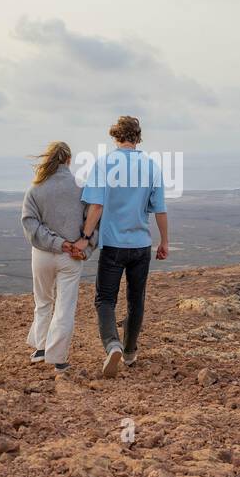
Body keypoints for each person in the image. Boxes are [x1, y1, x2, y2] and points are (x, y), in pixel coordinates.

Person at [74, 115, 168, 378]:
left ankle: (112, 345)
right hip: (141, 246)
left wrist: (85, 236)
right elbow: (160, 209)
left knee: (105, 299)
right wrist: (165, 242)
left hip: (113, 245)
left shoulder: (104, 164)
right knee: (136, 299)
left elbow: (96, 206)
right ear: (137, 138)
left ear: (115, 136)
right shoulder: (152, 167)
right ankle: (129, 352)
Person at [21, 142, 96, 374]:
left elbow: (29, 223)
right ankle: (58, 358)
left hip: (43, 254)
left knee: (43, 301)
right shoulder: (82, 188)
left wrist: (55, 243)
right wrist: (84, 247)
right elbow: (93, 221)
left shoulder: (36, 188)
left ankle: (41, 348)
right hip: (71, 256)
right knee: (65, 307)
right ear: (69, 160)